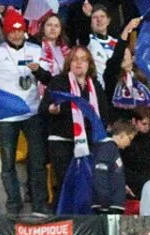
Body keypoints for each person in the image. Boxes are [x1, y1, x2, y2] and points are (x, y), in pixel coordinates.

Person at [0, 8, 51, 214]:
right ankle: (14, 203)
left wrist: (38, 70)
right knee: (8, 162)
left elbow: (48, 80)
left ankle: (40, 203)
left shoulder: (36, 50)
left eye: (20, 30)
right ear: (6, 32)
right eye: (12, 30)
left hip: (32, 112)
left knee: (38, 161)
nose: (16, 34)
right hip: (7, 115)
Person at [44, 47, 111, 203]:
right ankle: (63, 218)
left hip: (88, 143)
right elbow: (44, 106)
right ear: (69, 63)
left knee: (86, 185)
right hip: (62, 141)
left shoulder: (94, 85)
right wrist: (52, 108)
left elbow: (104, 113)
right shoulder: (59, 81)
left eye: (83, 59)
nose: (79, 63)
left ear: (89, 64)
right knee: (66, 183)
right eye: (75, 59)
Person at [92, 118, 136, 214]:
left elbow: (112, 173)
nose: (129, 143)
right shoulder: (107, 148)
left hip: (112, 203)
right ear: (122, 135)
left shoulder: (112, 149)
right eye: (130, 139)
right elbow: (100, 173)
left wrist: (121, 185)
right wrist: (104, 199)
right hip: (108, 205)